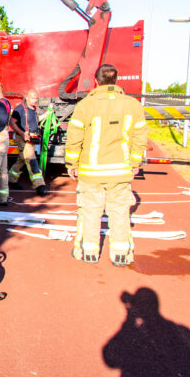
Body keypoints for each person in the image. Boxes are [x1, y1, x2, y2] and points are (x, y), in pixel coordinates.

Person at [65, 64, 147, 266]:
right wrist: (135, 163)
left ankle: (88, 252)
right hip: (120, 172)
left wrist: (71, 164)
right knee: (119, 212)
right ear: (116, 79)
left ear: (96, 80)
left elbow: (74, 137)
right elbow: (140, 137)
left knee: (90, 211)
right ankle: (121, 254)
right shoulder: (133, 105)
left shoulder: (86, 105)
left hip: (91, 172)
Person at [8, 89, 49, 196]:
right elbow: (12, 122)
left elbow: (35, 120)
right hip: (24, 139)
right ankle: (40, 185)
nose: (35, 100)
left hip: (32, 139)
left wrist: (47, 114)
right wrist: (22, 133)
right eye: (33, 98)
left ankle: (11, 179)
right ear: (27, 97)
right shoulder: (21, 109)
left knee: (22, 159)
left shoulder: (33, 109)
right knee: (31, 159)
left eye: (36, 98)